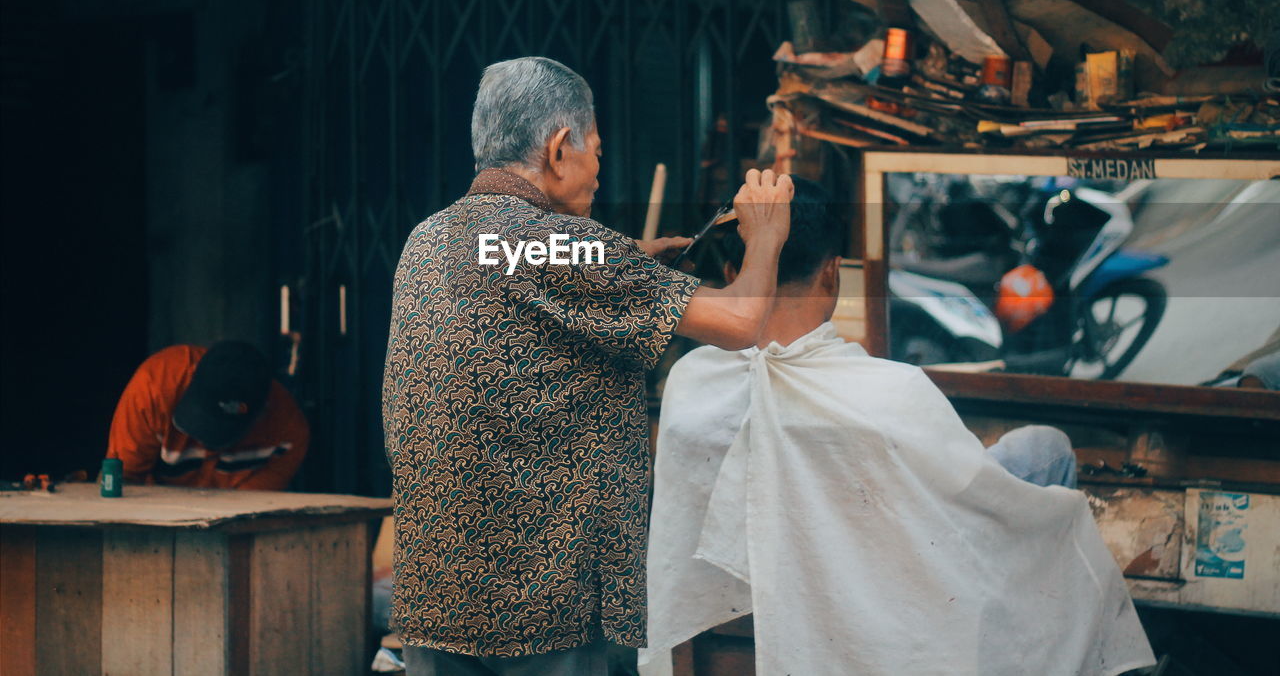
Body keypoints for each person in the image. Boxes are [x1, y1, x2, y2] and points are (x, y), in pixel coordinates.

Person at [642, 177, 1154, 676]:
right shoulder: (893, 393)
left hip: (733, 639)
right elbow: (969, 512)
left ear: (735, 270)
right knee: (1045, 449)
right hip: (884, 640)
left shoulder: (691, 385)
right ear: (832, 273)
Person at [382, 57, 793, 676]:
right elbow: (740, 324)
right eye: (595, 150)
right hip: (545, 606)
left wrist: (626, 264)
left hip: (438, 602)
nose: (600, 172)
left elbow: (521, 292)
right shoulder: (565, 246)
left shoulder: (428, 240)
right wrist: (765, 234)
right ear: (556, 149)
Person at [106, 341, 309, 490]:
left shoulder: (288, 433)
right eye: (203, 419)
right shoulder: (154, 388)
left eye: (222, 428)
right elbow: (122, 478)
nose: (204, 442)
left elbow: (250, 512)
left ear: (262, 413)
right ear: (192, 377)